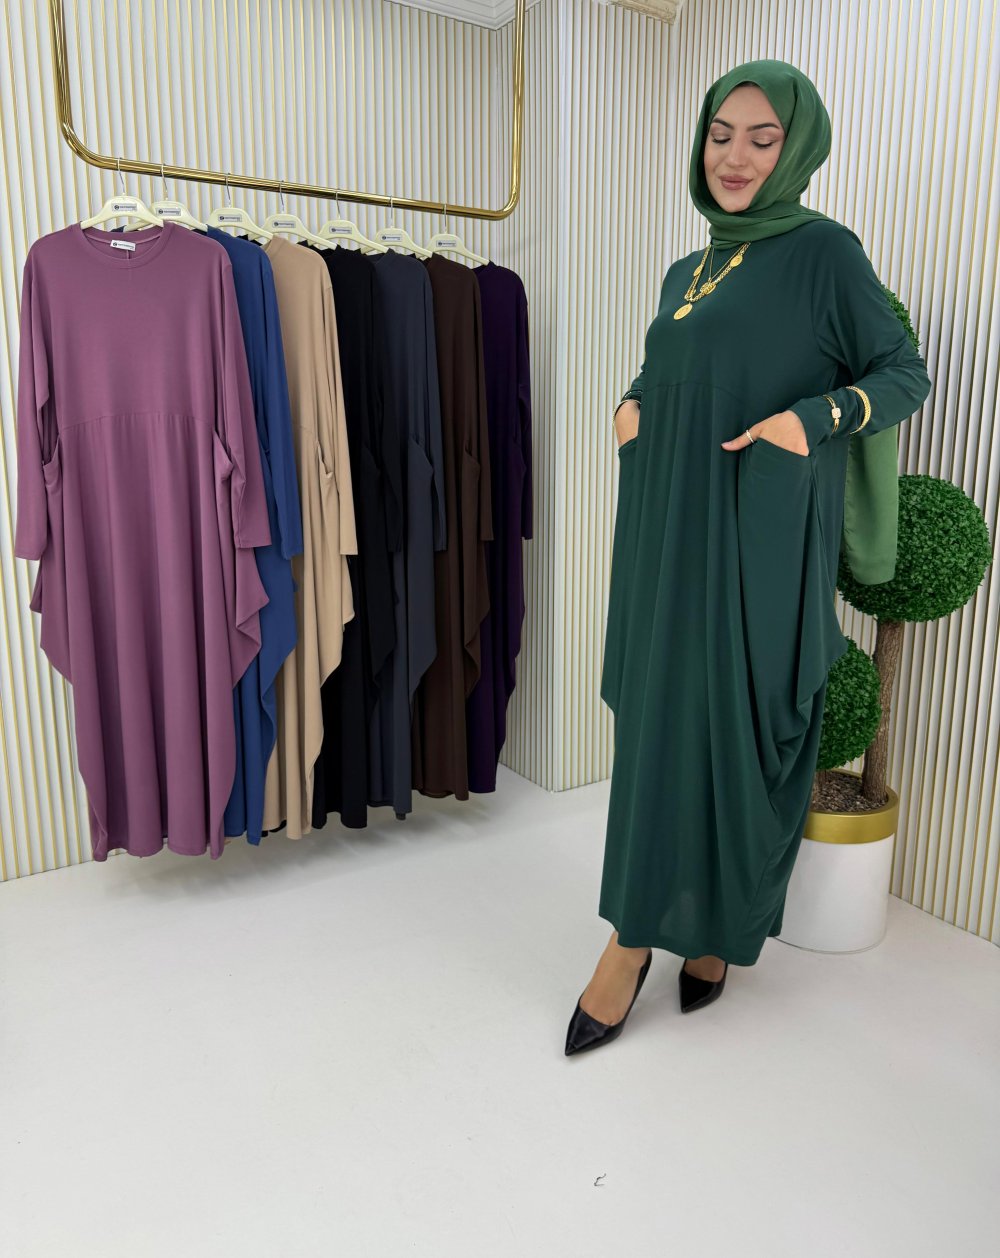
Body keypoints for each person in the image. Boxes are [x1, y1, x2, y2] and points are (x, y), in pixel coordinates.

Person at [565, 59, 932, 1056]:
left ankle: (704, 932)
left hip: (756, 540)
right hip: (664, 528)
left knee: (739, 735)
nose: (734, 157)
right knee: (658, 730)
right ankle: (634, 936)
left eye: (761, 139)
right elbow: (670, 364)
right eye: (720, 134)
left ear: (796, 148)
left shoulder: (823, 254)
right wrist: (631, 404)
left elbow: (902, 373)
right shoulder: (686, 270)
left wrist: (812, 420)